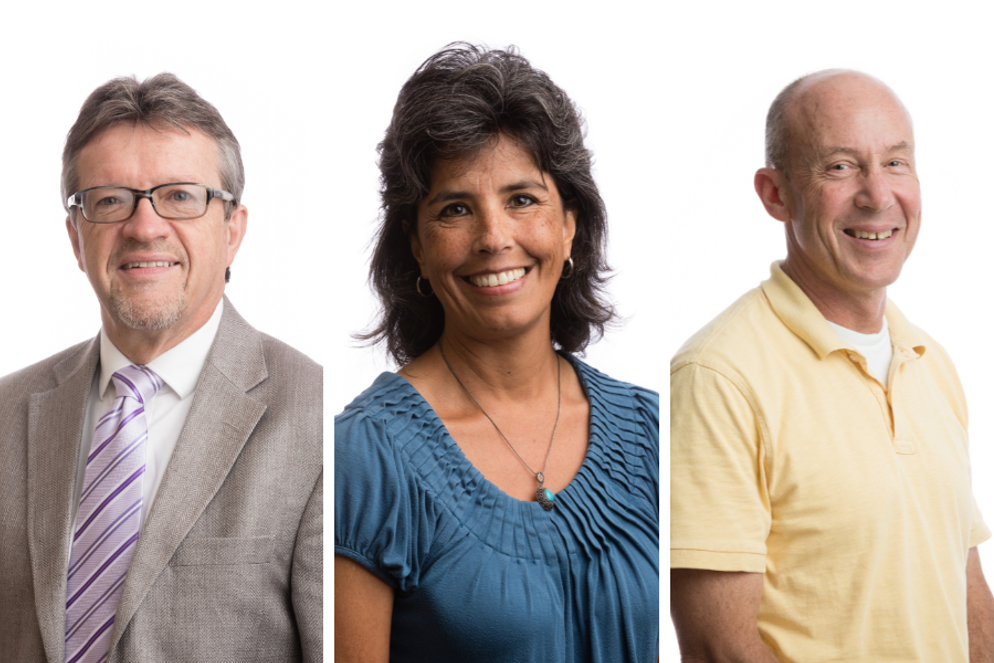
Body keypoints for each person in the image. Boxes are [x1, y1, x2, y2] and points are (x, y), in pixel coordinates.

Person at [335, 44, 659, 662]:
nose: (494, 238)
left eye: (522, 199)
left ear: (570, 224)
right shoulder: (363, 461)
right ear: (417, 247)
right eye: (456, 209)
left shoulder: (654, 433)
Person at [670, 69, 994, 661]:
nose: (877, 195)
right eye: (840, 167)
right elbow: (721, 648)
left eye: (896, 163)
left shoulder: (931, 363)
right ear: (776, 193)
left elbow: (966, 593)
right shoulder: (720, 377)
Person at [0, 74, 322, 663]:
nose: (144, 227)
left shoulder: (320, 417)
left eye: (179, 196)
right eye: (110, 200)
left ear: (233, 230)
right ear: (77, 237)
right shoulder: (5, 414)